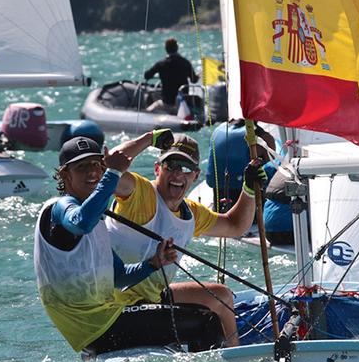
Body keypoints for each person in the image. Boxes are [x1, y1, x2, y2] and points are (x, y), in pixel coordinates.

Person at [35, 136, 225, 356]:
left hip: (105, 323)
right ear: (65, 175)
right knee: (207, 322)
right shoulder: (59, 208)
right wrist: (114, 172)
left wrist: (154, 263)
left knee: (198, 313)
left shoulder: (98, 223)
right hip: (101, 327)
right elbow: (80, 222)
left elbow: (119, 277)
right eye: (82, 167)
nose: (92, 172)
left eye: (97, 165)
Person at [108, 131, 267, 348]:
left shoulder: (192, 212)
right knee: (206, 323)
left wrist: (249, 189)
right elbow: (108, 168)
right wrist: (147, 139)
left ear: (195, 175)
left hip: (153, 299)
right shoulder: (138, 193)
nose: (177, 175)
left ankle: (236, 359)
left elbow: (235, 225)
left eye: (185, 168)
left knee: (221, 296)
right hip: (115, 307)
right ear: (157, 169)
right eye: (170, 165)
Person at [143, 38, 198, 113]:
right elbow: (194, 80)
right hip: (183, 104)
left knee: (147, 111)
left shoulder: (161, 64)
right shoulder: (185, 62)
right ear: (177, 48)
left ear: (166, 49)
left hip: (167, 103)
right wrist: (197, 76)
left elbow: (147, 75)